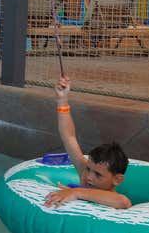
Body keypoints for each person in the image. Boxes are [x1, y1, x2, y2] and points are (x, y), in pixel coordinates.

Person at [44, 76, 132, 209]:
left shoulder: (115, 199)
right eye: (88, 169)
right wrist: (62, 100)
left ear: (117, 180)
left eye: (98, 175)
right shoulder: (86, 175)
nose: (89, 177)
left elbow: (124, 202)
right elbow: (69, 137)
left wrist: (76, 192)